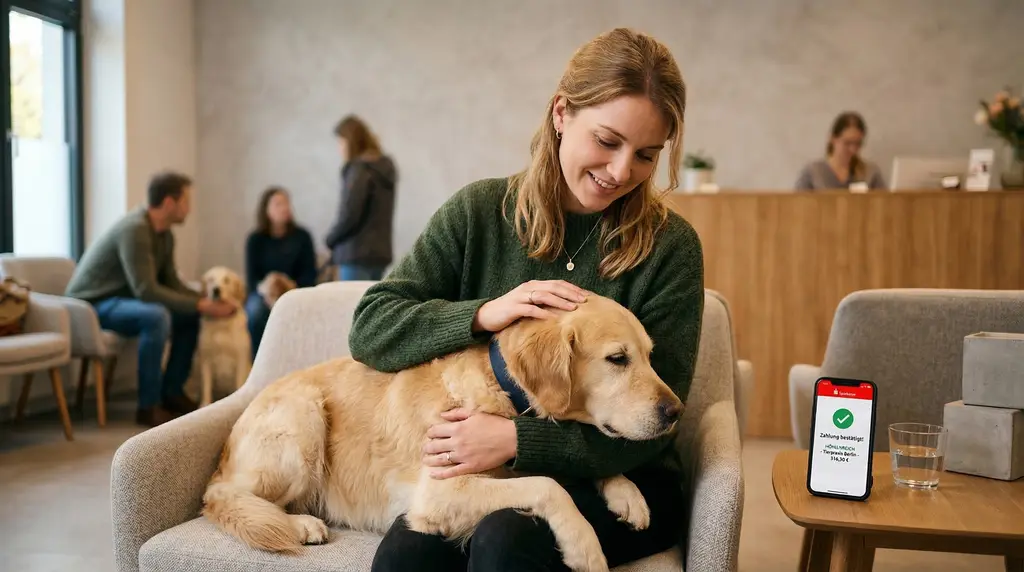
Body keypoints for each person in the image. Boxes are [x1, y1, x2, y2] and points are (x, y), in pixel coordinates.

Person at [350, 28, 704, 572]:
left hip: (623, 475)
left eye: (646, 156)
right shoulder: (477, 214)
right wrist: (482, 314)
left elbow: (658, 419)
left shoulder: (670, 249)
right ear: (561, 113)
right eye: (608, 142)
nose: (620, 172)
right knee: (406, 554)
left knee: (504, 541)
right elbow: (371, 328)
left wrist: (516, 439)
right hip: (484, 468)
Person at [65, 172, 236, 427]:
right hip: (91, 305)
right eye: (186, 201)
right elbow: (147, 290)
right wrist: (202, 304)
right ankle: (148, 406)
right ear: (169, 203)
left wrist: (203, 301)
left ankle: (172, 393)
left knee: (189, 315)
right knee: (156, 315)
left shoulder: (165, 234)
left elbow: (171, 284)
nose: (189, 209)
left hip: (124, 301)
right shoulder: (134, 230)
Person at [244, 186, 317, 358]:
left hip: (295, 292)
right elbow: (252, 279)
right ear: (266, 210)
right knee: (255, 312)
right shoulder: (255, 240)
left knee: (301, 313)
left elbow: (310, 275)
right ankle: (260, 366)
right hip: (263, 294)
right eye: (278, 204)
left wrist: (288, 290)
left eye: (286, 203)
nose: (284, 208)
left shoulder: (302, 237)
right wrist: (267, 292)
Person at [325, 114, 397, 281]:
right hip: (379, 253)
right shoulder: (384, 168)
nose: (339, 148)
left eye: (341, 142)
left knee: (353, 306)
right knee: (370, 305)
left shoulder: (359, 170)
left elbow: (350, 215)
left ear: (350, 141)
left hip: (355, 254)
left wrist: (330, 239)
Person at [795, 111, 887, 191]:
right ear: (833, 139)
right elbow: (798, 206)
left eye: (858, 144)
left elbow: (883, 205)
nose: (853, 149)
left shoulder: (870, 173)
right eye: (847, 143)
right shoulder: (813, 173)